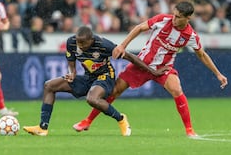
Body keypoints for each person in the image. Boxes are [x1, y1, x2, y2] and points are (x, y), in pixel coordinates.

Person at [73, 1, 228, 137]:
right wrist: (122, 45)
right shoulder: (162, 20)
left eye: (178, 17)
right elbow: (140, 28)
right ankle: (87, 121)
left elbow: (202, 55)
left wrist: (218, 74)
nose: (174, 19)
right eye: (174, 15)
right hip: (141, 65)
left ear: (188, 18)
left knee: (176, 89)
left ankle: (189, 130)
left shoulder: (190, 36)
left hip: (163, 69)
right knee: (114, 91)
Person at [23, 26, 168, 136]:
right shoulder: (71, 42)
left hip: (105, 76)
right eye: (78, 42)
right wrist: (72, 73)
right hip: (88, 77)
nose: (80, 46)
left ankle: (121, 118)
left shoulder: (104, 45)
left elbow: (131, 57)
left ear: (91, 40)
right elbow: (71, 61)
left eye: (83, 43)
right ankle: (42, 127)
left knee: (92, 99)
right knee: (49, 85)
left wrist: (153, 71)